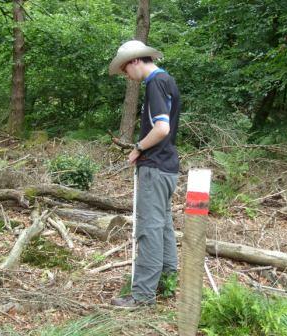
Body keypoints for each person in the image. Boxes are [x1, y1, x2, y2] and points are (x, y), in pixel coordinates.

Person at [108, 40, 181, 307]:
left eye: (126, 69)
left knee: (149, 230)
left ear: (136, 61)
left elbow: (161, 128)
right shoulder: (168, 80)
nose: (127, 76)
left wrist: (138, 147)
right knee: (164, 227)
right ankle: (167, 282)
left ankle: (142, 296)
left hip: (155, 167)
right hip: (169, 168)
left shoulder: (154, 84)